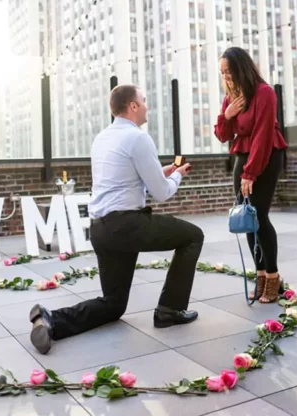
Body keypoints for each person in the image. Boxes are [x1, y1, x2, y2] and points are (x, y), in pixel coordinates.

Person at [28, 84, 204, 354]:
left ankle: (51, 320)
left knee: (113, 304)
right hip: (126, 226)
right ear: (132, 106)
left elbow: (124, 181)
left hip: (100, 228)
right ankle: (170, 310)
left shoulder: (102, 138)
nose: (147, 106)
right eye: (144, 101)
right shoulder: (139, 138)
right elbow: (162, 193)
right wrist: (177, 175)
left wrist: (162, 171)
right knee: (193, 236)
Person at [214, 47, 288, 304]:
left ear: (240, 68)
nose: (226, 77)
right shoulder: (231, 98)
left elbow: (263, 135)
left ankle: (273, 276)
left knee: (260, 216)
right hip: (242, 157)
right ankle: (259, 275)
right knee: (245, 217)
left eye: (228, 71)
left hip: (266, 157)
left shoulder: (264, 93)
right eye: (222, 72)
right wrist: (226, 116)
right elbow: (223, 135)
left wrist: (251, 173)